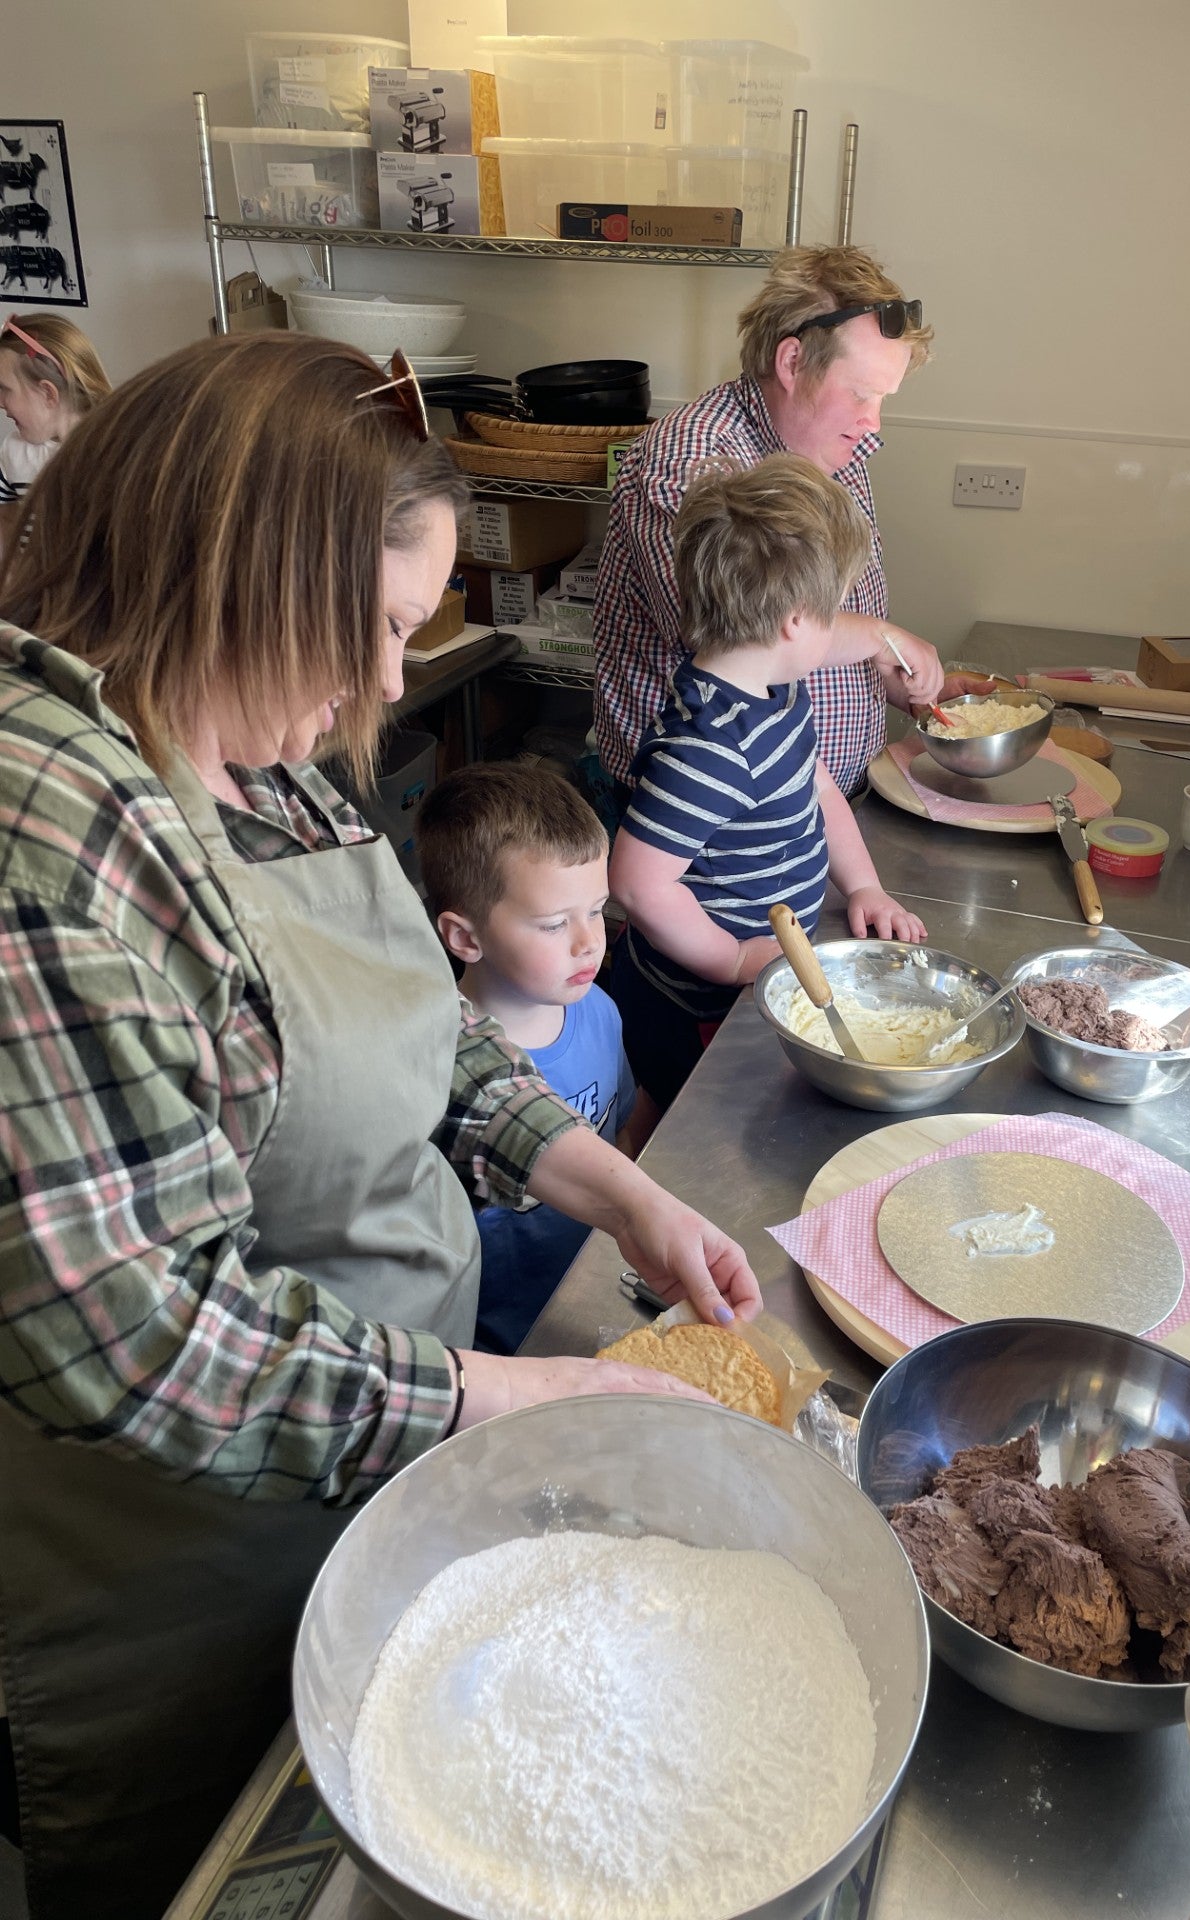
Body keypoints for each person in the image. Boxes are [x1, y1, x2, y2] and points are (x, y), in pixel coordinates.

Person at [0, 331, 759, 1920]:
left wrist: (614, 1189)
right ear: (249, 570)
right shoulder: (48, 837)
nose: (396, 682)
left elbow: (427, 1039)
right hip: (185, 1560)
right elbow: (134, 1337)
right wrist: (516, 1396)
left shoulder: (256, 767)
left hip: (366, 1461)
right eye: (388, 625)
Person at [607, 454, 928, 1109]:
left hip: (764, 975)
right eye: (834, 612)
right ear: (794, 622)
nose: (840, 628)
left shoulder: (775, 690)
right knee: (677, 1125)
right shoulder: (709, 748)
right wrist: (728, 959)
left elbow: (816, 790)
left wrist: (863, 885)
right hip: (697, 1007)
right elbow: (637, 885)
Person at [595, 244, 967, 802]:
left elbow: (825, 618)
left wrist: (898, 680)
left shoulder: (832, 446)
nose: (872, 422)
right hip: (707, 819)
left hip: (819, 806)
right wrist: (880, 639)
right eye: (860, 394)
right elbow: (732, 633)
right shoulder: (694, 458)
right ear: (792, 363)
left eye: (883, 399)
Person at [417, 760, 659, 1352]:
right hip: (489, 1333)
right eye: (553, 925)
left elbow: (627, 1126)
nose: (590, 942)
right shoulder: (433, 1070)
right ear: (465, 938)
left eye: (597, 910)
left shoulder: (598, 1009)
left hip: (594, 1288)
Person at [0, 312, 110, 555]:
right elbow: (5, 517)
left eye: (4, 389)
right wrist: (12, 570)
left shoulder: (111, 451)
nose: (0, 402)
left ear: (47, 393)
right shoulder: (12, 450)